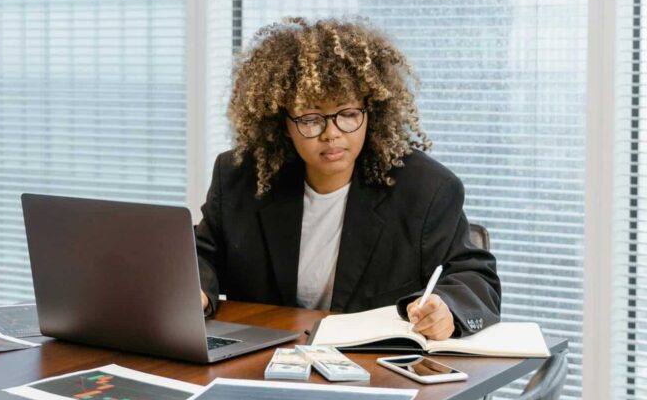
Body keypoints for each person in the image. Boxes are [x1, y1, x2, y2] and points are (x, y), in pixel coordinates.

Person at [195, 17, 500, 340]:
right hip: (262, 359)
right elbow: (202, 255)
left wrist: (447, 309)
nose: (332, 134)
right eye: (311, 119)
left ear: (371, 112)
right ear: (282, 122)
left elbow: (475, 279)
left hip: (373, 368)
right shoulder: (241, 177)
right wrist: (196, 291)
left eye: (348, 114)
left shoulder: (426, 189)